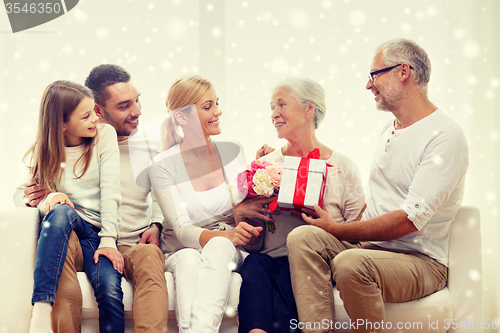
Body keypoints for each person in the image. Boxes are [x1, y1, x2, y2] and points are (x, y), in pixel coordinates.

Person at [287, 38, 469, 333]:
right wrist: (340, 228)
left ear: (403, 72)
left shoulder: (444, 137)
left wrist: (338, 229)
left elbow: (409, 220)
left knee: (350, 263)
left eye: (374, 74)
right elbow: (382, 200)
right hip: (372, 248)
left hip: (420, 261)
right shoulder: (390, 128)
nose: (368, 85)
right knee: (303, 238)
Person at [14, 65, 169, 333]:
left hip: (132, 243)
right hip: (86, 239)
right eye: (125, 106)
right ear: (97, 110)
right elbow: (23, 191)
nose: (137, 111)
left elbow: (163, 195)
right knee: (60, 243)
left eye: (137, 100)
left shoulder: (151, 146)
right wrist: (33, 197)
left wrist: (156, 224)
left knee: (150, 255)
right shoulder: (69, 144)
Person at [236, 77, 366, 333]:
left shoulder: (343, 167)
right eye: (272, 107)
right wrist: (245, 217)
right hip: (268, 260)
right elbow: (255, 245)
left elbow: (358, 237)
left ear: (310, 109)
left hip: (317, 262)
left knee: (291, 271)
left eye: (282, 105)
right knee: (254, 265)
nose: (274, 114)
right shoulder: (264, 166)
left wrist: (325, 224)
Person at [148, 75, 265, 333]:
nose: (218, 112)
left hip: (227, 248)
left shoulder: (234, 150)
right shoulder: (162, 165)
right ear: (182, 117)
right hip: (180, 249)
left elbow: (245, 212)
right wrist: (230, 233)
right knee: (190, 258)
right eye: (208, 106)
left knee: (220, 244)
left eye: (217, 103)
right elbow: (181, 230)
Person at [22, 80, 124, 333]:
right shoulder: (44, 152)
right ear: (62, 124)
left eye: (95, 111)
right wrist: (46, 198)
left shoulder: (104, 136)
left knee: (110, 291)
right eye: (86, 115)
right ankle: (41, 309)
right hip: (68, 230)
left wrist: (109, 240)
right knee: (59, 210)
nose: (95, 120)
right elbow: (22, 196)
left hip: (97, 235)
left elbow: (110, 191)